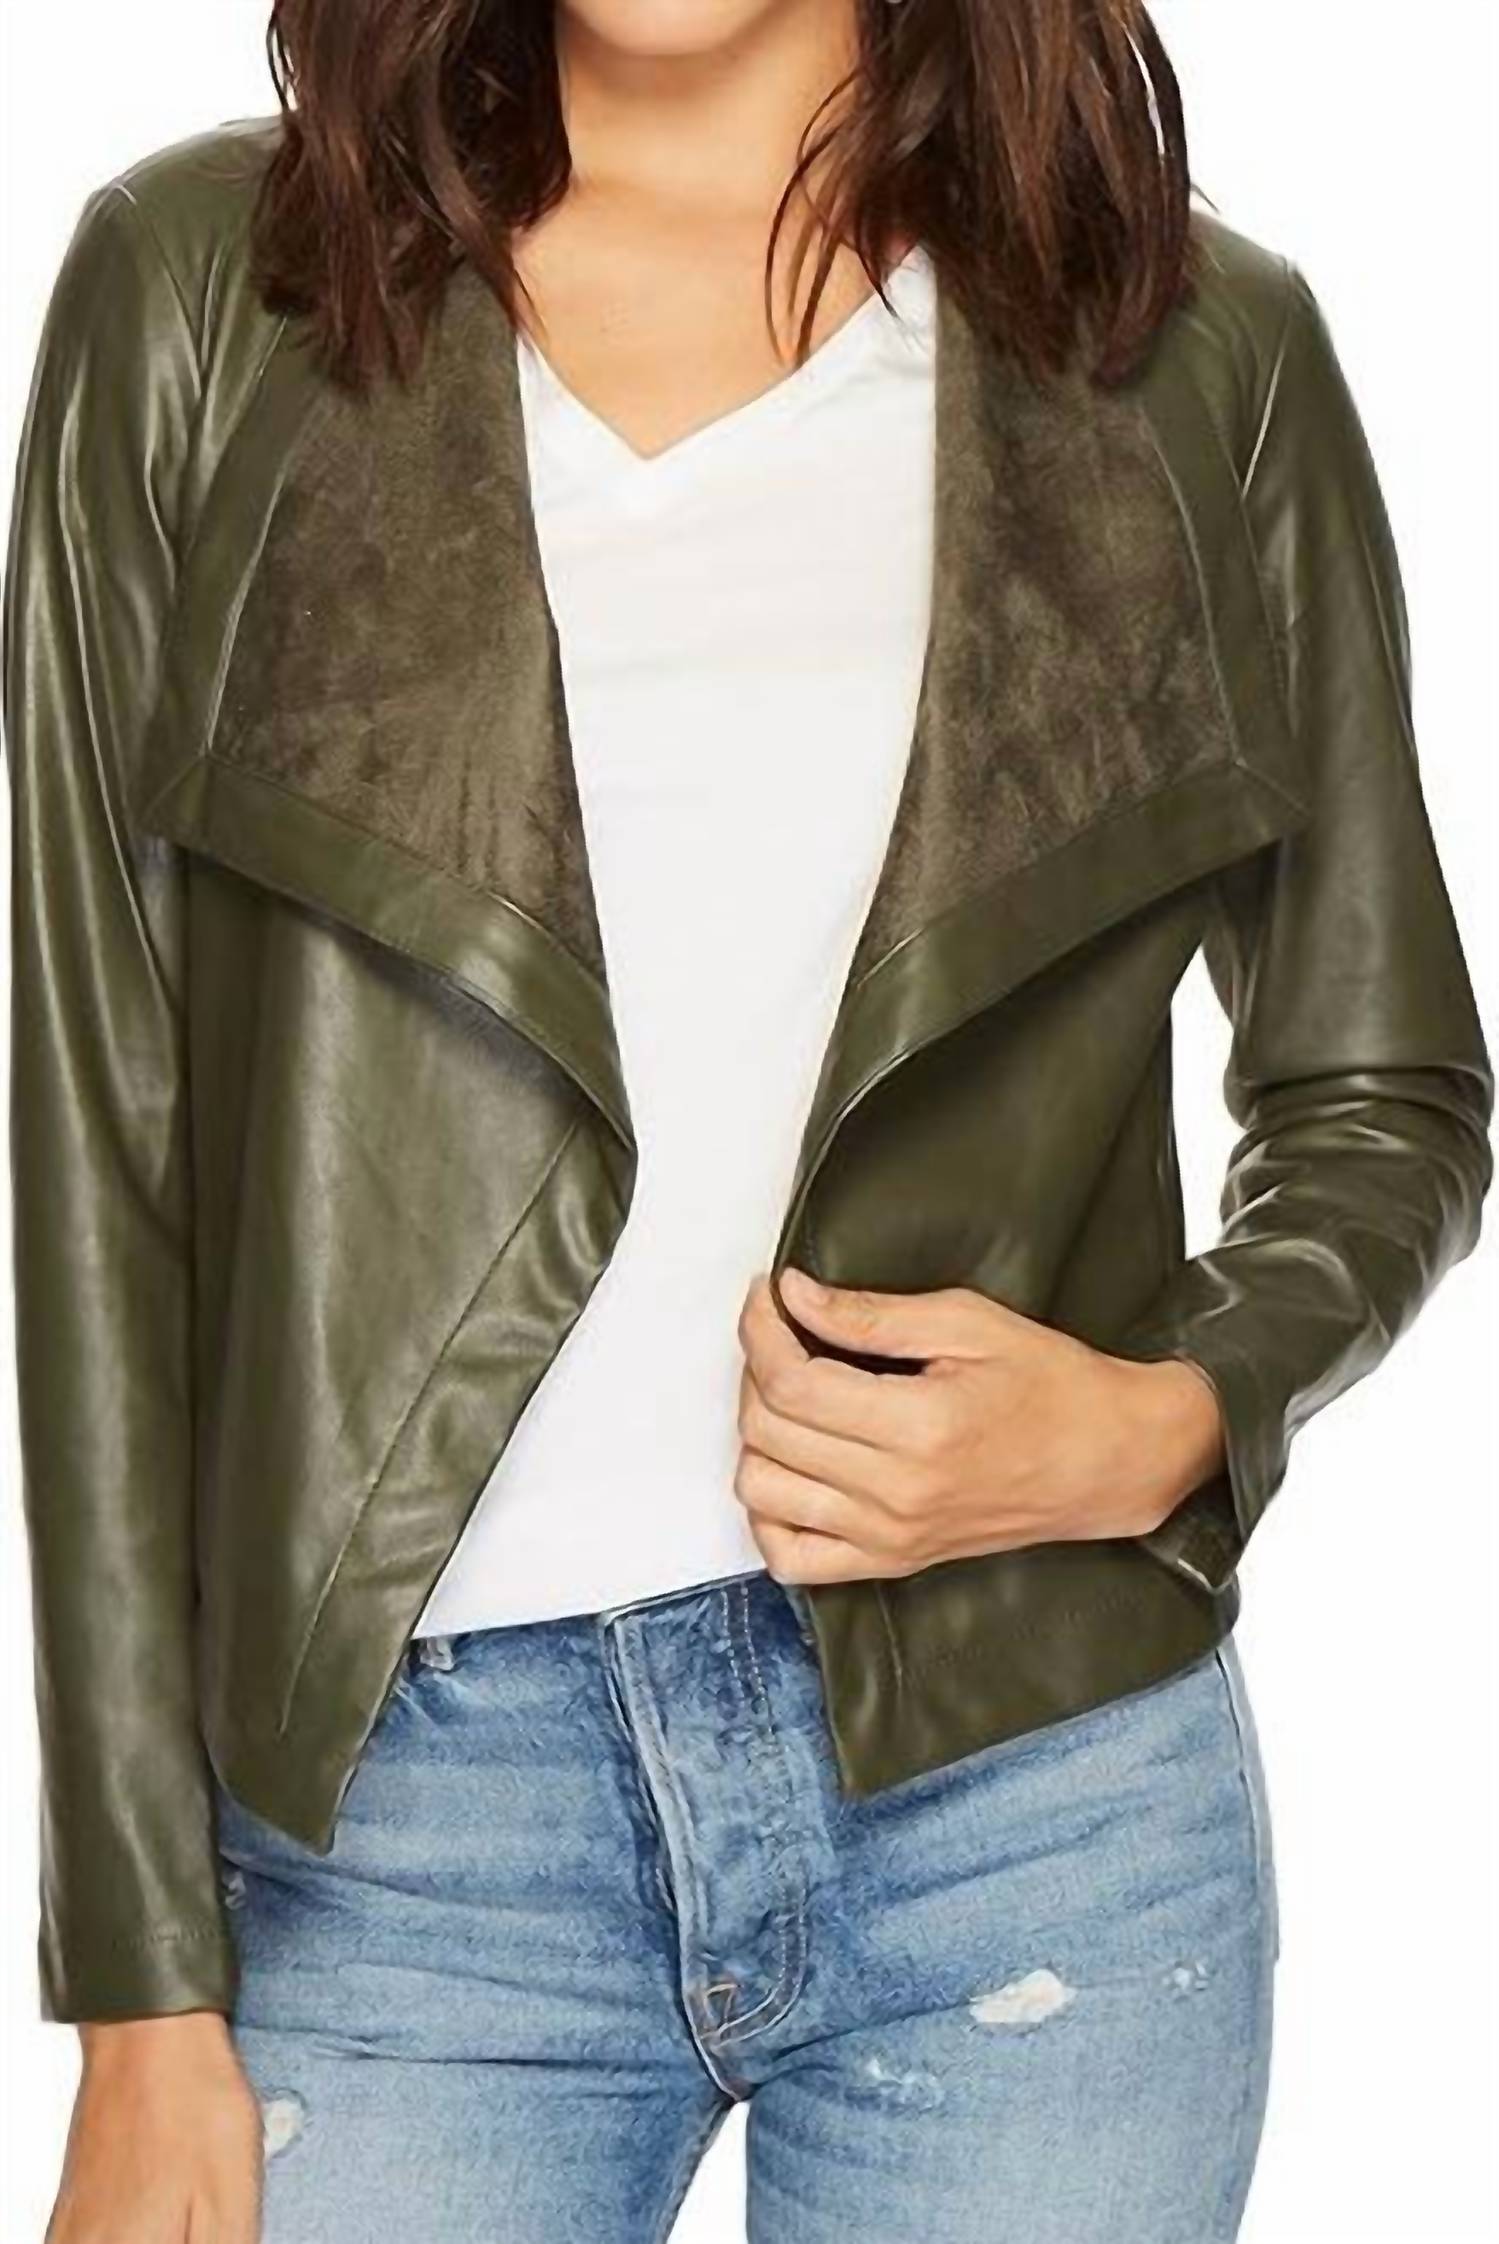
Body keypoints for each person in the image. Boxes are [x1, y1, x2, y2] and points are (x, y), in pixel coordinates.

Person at [4, 0, 1491, 2238]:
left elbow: (1384, 1085)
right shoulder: (213, 294)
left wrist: (1173, 1417)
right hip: (404, 1854)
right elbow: (98, 1166)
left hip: (1034, 1800)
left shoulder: (1195, 352)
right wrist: (138, 1994)